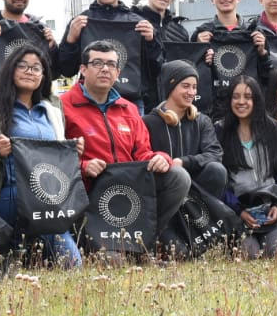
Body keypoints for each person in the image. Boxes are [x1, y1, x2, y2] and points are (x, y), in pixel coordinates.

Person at [0, 41, 81, 267]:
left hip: (47, 200)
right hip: (6, 196)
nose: (29, 71)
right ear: (10, 69)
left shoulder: (53, 108)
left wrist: (72, 152)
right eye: (22, 65)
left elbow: (58, 158)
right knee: (3, 269)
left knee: (72, 263)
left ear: (44, 75)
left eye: (36, 68)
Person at [61, 40, 190, 249]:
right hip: (89, 193)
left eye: (111, 64)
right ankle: (93, 242)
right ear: (83, 69)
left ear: (118, 72)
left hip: (129, 190)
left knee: (178, 177)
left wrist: (161, 158)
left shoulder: (128, 109)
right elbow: (55, 158)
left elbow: (142, 152)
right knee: (112, 261)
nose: (105, 69)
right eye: (97, 63)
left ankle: (144, 241)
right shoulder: (63, 106)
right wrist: (83, 166)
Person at [58, 0, 161, 111]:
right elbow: (66, 69)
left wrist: (152, 41)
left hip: (129, 102)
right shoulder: (80, 23)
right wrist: (71, 41)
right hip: (89, 102)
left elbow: (156, 68)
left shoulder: (139, 24)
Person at [216, 78, 277, 259]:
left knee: (276, 253)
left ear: (257, 100)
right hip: (238, 213)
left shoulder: (273, 129)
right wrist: (239, 211)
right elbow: (219, 181)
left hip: (271, 211)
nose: (241, 102)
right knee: (249, 255)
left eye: (248, 97)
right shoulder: (220, 132)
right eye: (236, 97)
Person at [143, 60, 228, 198]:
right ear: (170, 87)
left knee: (217, 170)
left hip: (196, 190)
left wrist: (183, 162)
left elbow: (215, 154)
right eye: (186, 86)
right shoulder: (148, 122)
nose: (191, 92)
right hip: (164, 187)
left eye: (194, 87)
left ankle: (206, 217)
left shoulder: (202, 121)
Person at [191, 0, 270, 116]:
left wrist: (263, 54)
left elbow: (267, 76)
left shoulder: (255, 33)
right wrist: (200, 52)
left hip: (249, 107)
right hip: (215, 111)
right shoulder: (201, 34)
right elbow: (193, 74)